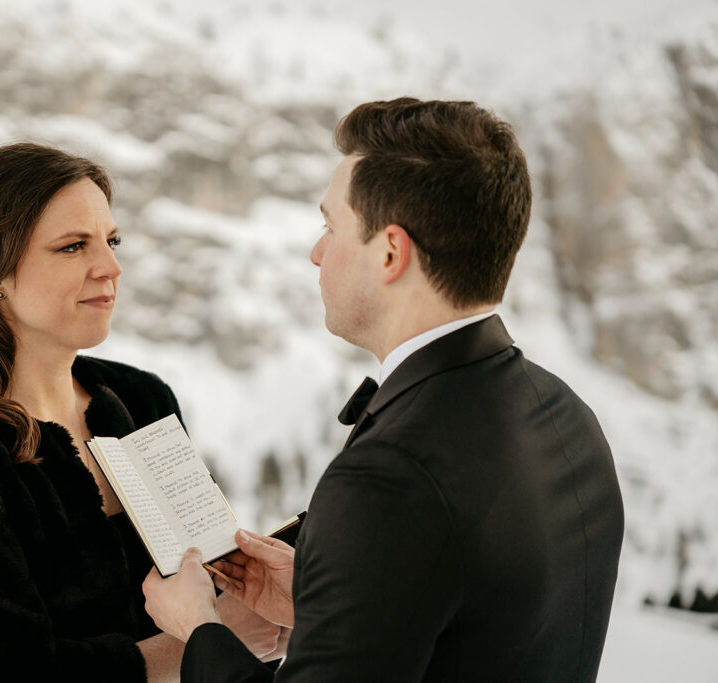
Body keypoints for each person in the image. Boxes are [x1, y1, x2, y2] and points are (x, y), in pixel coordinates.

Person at [142, 98, 625, 682]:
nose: (316, 252)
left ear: (391, 252)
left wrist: (199, 630)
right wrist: (337, 599)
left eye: (330, 226)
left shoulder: (391, 476)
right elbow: (486, 623)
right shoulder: (565, 412)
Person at [0, 142, 279, 682]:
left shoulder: (140, 400)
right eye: (72, 247)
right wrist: (208, 645)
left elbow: (204, 576)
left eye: (111, 240)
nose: (111, 267)